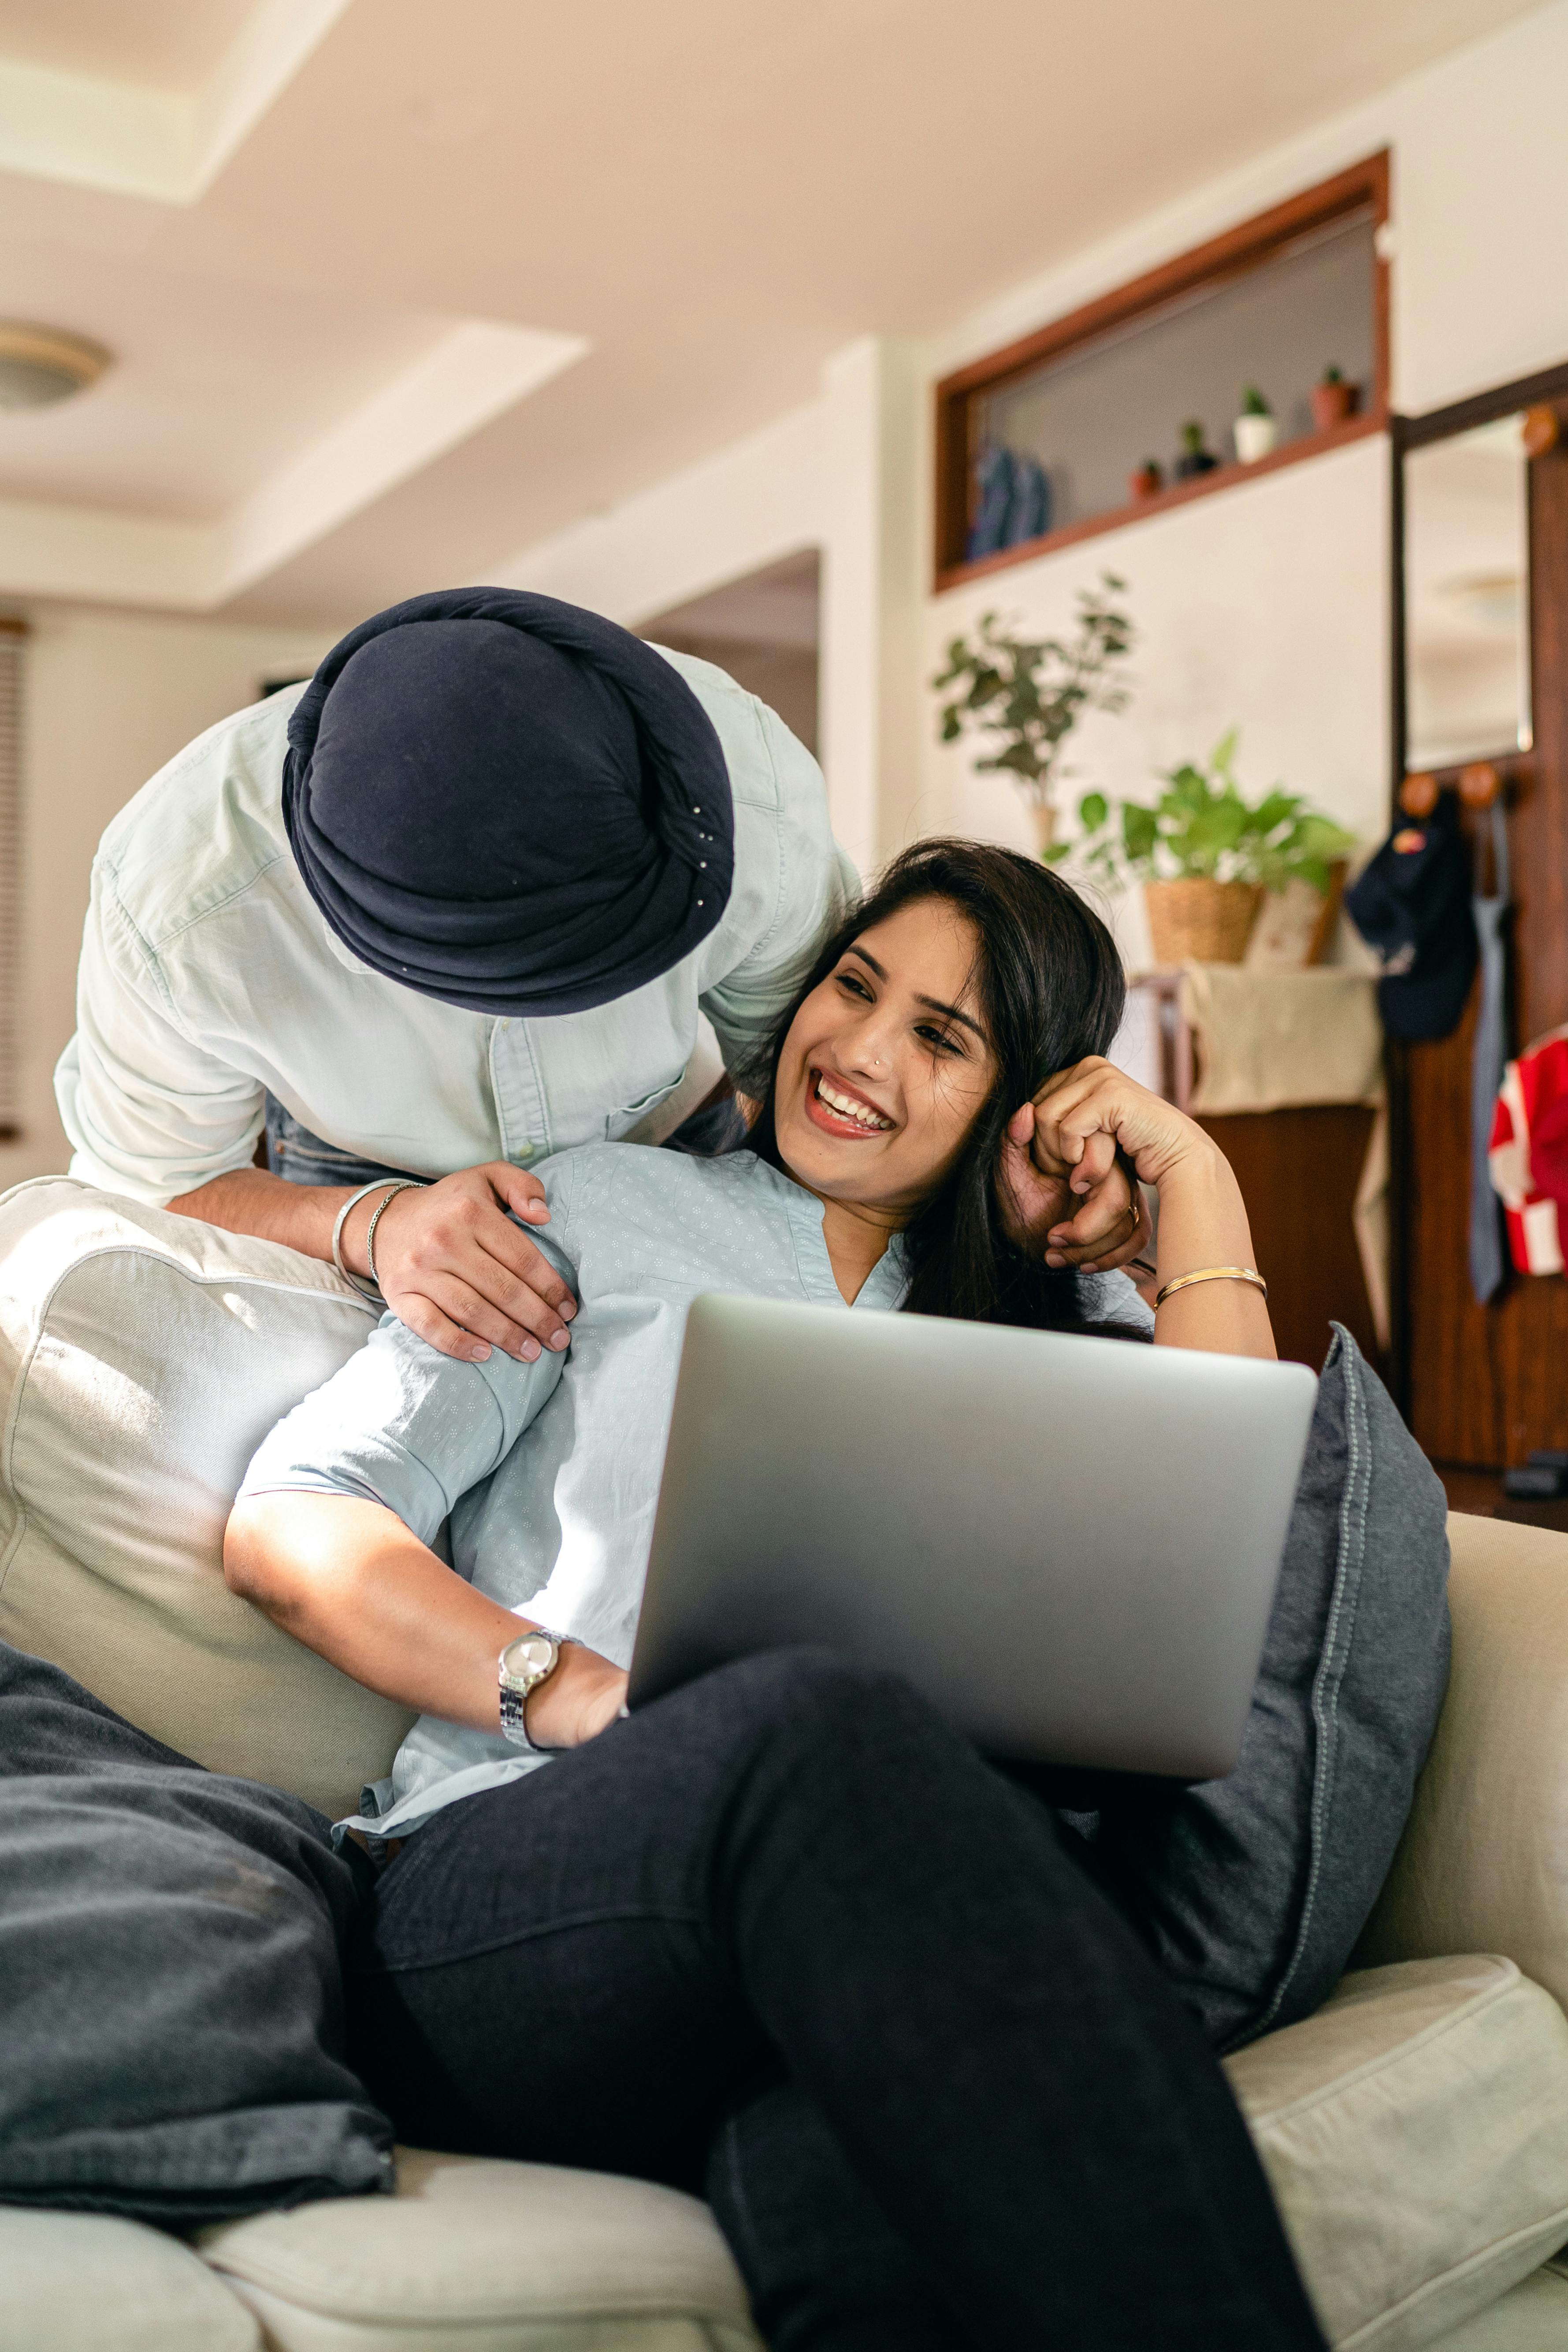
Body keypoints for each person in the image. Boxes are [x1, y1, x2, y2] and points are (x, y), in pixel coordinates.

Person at [223, 839, 1327, 2350]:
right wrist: (566, 1686)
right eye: (855, 986)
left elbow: (1228, 1553)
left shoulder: (1067, 1323)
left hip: (845, 1957)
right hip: (503, 1902)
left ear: (1022, 1098)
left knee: (867, 2196)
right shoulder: (598, 1207)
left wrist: (1192, 1177)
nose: (858, 1050)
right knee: (819, 1715)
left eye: (940, 1037)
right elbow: (296, 1518)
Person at [56, 590, 1145, 1369]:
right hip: (357, 1175)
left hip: (694, 1139)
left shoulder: (749, 798)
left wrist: (1011, 1211)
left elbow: (822, 1092)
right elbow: (155, 1182)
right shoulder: (185, 905)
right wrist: (373, 1225)